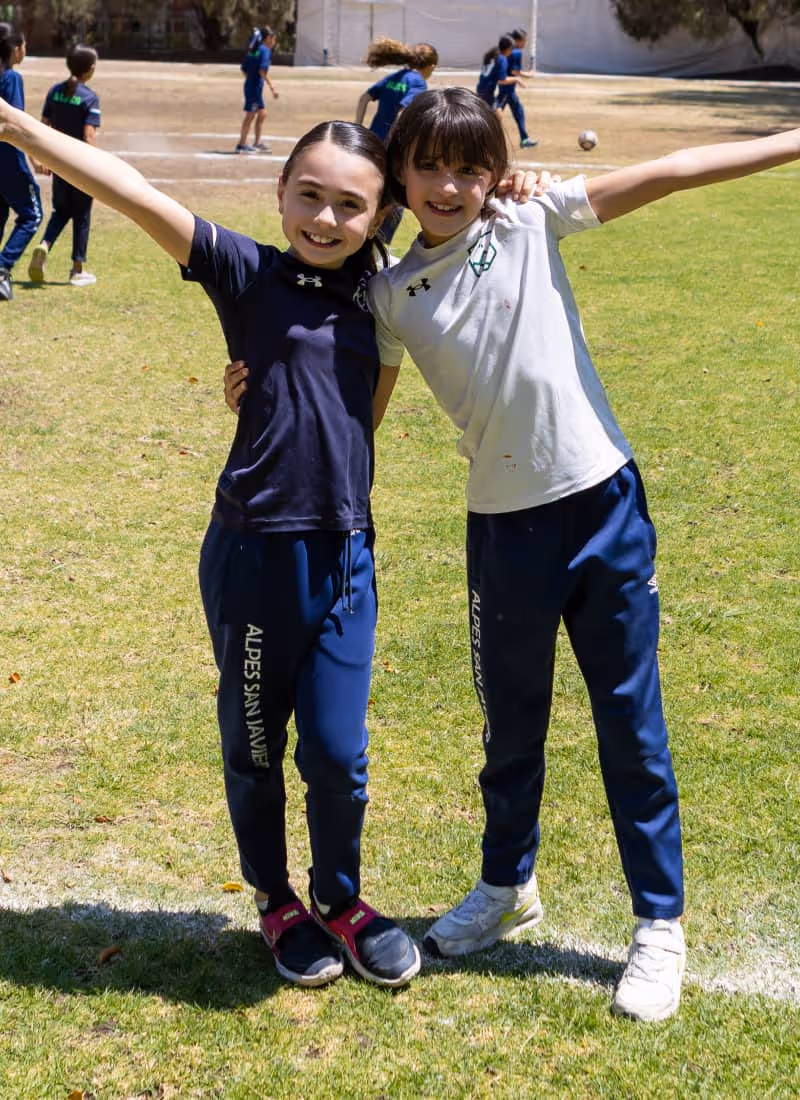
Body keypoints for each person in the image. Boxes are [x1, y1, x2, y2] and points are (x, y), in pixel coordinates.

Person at [363, 87, 800, 1022]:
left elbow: (675, 172)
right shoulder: (389, 296)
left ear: (495, 173)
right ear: (400, 171)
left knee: (629, 726)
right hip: (502, 533)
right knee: (509, 730)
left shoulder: (529, 217)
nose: (451, 185)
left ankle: (659, 924)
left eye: (471, 167)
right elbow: (358, 422)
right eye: (430, 166)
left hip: (603, 508)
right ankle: (505, 887)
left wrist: (792, 143)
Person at [0, 99, 424, 989]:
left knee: (341, 755)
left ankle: (341, 899)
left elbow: (364, 419)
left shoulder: (380, 296)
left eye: (350, 206)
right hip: (255, 556)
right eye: (308, 195)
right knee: (259, 745)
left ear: (380, 216)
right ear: (279, 194)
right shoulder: (245, 271)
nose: (325, 218)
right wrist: (25, 132)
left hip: (346, 554)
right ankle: (275, 898)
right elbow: (133, 192)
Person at [28, 44, 101, 287]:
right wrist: (94, 168)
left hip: (58, 164)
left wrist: (41, 158)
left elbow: (43, 125)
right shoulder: (90, 97)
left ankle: (44, 245)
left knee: (60, 211)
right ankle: (77, 270)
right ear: (89, 70)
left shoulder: (54, 91)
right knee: (81, 216)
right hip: (80, 165)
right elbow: (88, 135)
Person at [355, 37, 438, 246]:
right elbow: (403, 113)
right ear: (431, 67)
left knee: (372, 195)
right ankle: (377, 249)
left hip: (371, 143)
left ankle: (364, 244)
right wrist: (399, 143)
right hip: (389, 149)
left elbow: (364, 97)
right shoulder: (418, 82)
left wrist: (358, 127)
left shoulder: (396, 76)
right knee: (394, 202)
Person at [0, 29, 42, 301]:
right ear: (15, 48)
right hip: (10, 160)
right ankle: (3, 267)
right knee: (32, 215)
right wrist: (36, 157)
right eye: (25, 45)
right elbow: (15, 123)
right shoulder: (12, 78)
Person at [476, 34, 531, 151]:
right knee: (496, 117)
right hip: (487, 93)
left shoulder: (492, 55)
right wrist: (517, 79)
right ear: (508, 48)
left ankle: (487, 143)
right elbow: (502, 80)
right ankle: (486, 144)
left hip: (482, 89)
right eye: (511, 49)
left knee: (496, 116)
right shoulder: (502, 59)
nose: (512, 52)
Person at [236, 26, 278, 154]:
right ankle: (241, 145)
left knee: (262, 113)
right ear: (268, 38)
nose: (274, 41)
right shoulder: (265, 51)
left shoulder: (254, 50)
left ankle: (257, 142)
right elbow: (262, 70)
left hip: (251, 86)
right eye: (273, 38)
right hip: (254, 88)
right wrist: (272, 87)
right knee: (250, 115)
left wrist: (251, 80)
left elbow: (244, 69)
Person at [496, 28, 537, 149]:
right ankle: (481, 136)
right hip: (506, 88)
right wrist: (528, 75)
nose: (525, 43)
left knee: (518, 110)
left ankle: (524, 138)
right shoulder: (516, 52)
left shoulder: (510, 50)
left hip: (507, 87)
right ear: (518, 41)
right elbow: (514, 71)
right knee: (495, 113)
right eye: (524, 40)